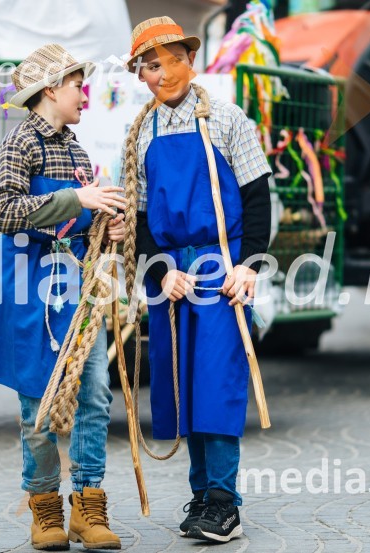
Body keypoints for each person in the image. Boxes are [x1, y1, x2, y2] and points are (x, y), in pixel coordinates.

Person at [111, 16, 272, 544]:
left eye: (171, 60)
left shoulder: (228, 120)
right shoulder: (139, 135)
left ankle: (225, 503)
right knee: (179, 386)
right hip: (172, 280)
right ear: (140, 75)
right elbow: (136, 220)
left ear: (190, 61)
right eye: (150, 65)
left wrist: (249, 266)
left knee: (216, 384)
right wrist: (162, 270)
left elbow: (256, 198)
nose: (163, 73)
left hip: (222, 274)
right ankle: (201, 496)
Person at [0, 43, 127, 551]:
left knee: (94, 394)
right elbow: (2, 211)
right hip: (29, 294)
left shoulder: (78, 151)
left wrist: (105, 226)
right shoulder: (18, 145)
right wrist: (77, 200)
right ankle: (43, 508)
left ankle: (88, 507)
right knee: (37, 405)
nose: (85, 95)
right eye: (76, 86)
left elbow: (79, 219)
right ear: (51, 90)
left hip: (78, 293)